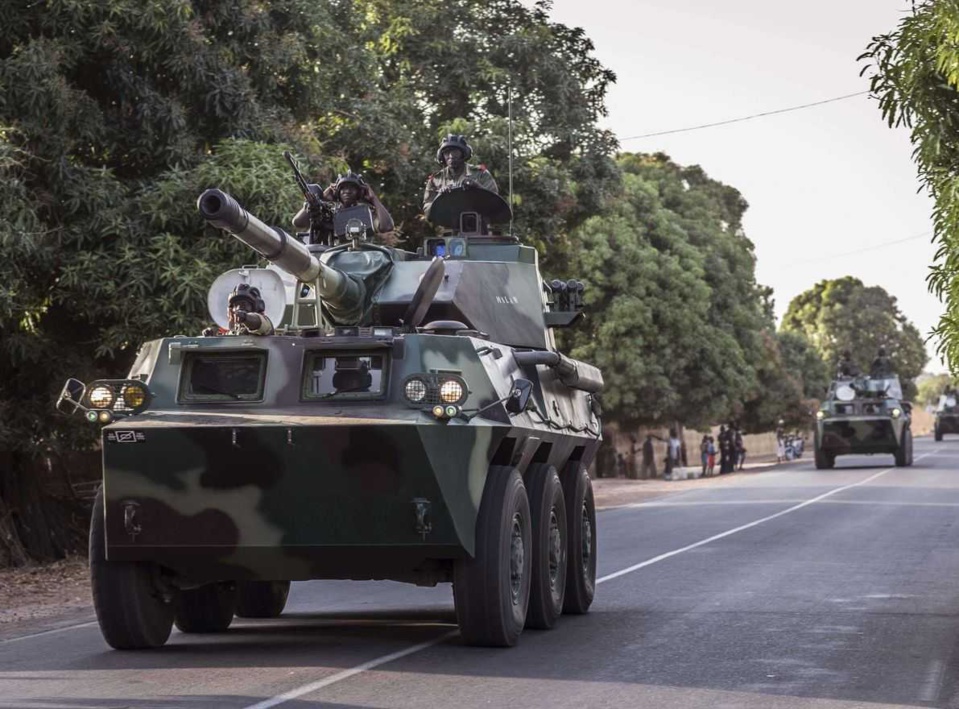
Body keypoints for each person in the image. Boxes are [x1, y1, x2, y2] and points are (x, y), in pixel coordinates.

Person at [293, 171, 394, 240]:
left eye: (352, 188)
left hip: (361, 262)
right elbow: (298, 223)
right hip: (329, 260)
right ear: (337, 192)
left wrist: (374, 199)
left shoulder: (366, 213)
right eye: (343, 188)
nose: (347, 192)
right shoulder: (328, 212)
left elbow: (387, 226)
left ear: (359, 193)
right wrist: (319, 200)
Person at [423, 134, 498, 220]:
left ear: (463, 154)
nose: (451, 156)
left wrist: (477, 188)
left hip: (480, 227)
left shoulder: (480, 174)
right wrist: (440, 197)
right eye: (447, 153)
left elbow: (495, 204)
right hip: (449, 229)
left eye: (455, 152)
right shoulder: (436, 180)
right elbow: (428, 213)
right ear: (442, 156)